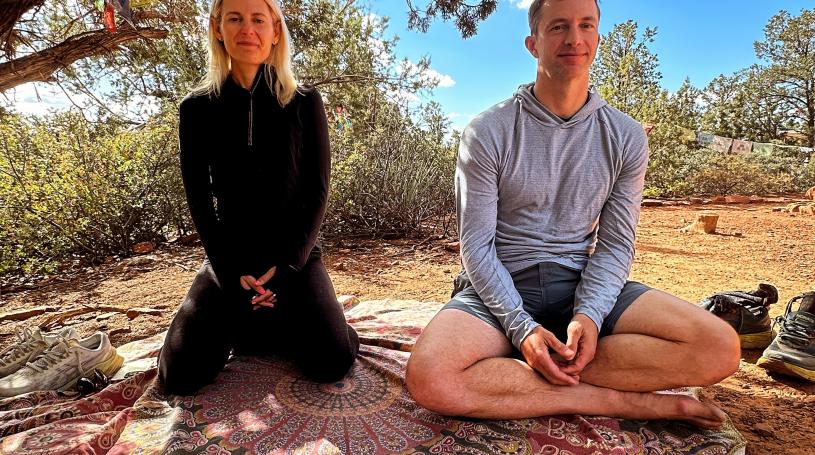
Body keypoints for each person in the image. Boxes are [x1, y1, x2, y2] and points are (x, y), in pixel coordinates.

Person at [405, 0, 740, 428]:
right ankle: (623, 402)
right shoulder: (488, 131)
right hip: (500, 286)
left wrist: (589, 315)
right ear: (533, 43)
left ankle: (513, 368)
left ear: (598, 38)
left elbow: (617, 243)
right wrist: (520, 327)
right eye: (558, 27)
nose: (574, 38)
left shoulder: (626, 136)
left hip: (580, 281)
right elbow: (477, 246)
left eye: (586, 25)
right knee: (430, 377)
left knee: (718, 347)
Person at [158, 0, 359, 395]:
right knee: (179, 376)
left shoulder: (304, 102)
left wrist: (288, 267)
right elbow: (199, 198)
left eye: (258, 20)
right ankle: (257, 323)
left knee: (332, 362)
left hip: (294, 260)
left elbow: (317, 191)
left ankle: (314, 319)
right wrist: (228, 269)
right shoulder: (196, 108)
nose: (246, 29)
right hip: (229, 263)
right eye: (235, 18)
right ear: (218, 28)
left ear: (275, 32)